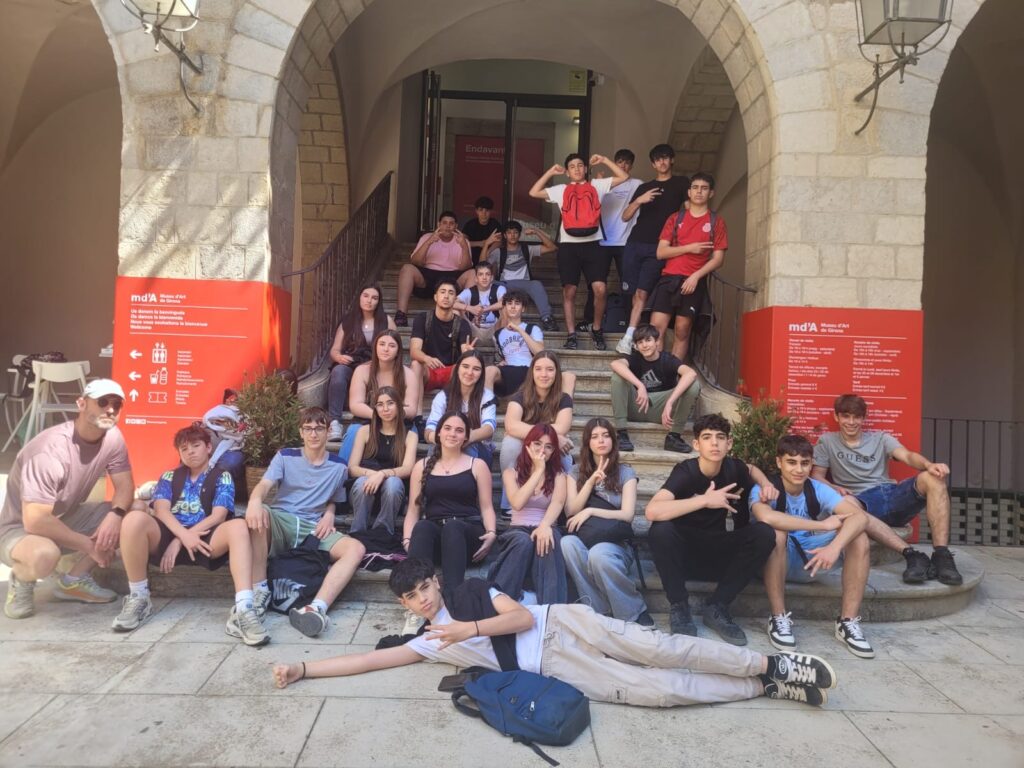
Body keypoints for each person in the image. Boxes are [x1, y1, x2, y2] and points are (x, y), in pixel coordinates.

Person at [272, 557, 840, 711]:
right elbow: (366, 663)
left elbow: (520, 618)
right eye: (413, 597)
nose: (423, 599)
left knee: (659, 647)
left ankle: (768, 663)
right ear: (404, 604)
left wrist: (467, 629)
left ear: (436, 581)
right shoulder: (424, 640)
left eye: (425, 587)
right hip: (555, 667)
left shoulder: (471, 591)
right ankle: (762, 687)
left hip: (562, 623)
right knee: (655, 691)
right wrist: (303, 669)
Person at [113, 423, 268, 645]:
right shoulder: (169, 476)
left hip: (206, 538)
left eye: (196, 446)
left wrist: (183, 539)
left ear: (208, 448)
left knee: (238, 526)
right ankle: (139, 597)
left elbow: (218, 516)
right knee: (133, 519)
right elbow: (161, 511)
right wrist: (180, 536)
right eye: (184, 449)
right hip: (167, 535)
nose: (190, 452)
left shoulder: (222, 476)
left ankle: (244, 609)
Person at [1, 379, 131, 620]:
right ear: (81, 404)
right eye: (102, 402)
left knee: (135, 513)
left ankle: (73, 580)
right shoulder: (48, 451)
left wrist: (116, 515)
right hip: (21, 531)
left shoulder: (113, 437)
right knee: (44, 554)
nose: (110, 409)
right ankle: (22, 579)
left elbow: (125, 486)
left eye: (117, 404)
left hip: (66, 519)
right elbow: (36, 521)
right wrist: (89, 546)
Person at [645, 413, 778, 646]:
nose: (714, 443)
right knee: (660, 530)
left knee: (765, 533)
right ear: (697, 444)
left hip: (717, 552)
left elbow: (751, 469)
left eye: (720, 437)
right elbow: (652, 511)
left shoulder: (734, 468)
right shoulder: (685, 471)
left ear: (729, 443)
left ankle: (718, 606)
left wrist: (766, 483)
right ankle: (679, 606)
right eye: (707, 437)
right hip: (683, 557)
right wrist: (704, 500)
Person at [812, 393, 963, 586]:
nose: (851, 422)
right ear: (836, 417)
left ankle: (942, 555)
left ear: (863, 418)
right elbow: (817, 476)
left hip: (891, 494)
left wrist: (928, 465)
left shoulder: (881, 438)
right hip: (860, 501)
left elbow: (908, 456)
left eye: (856, 417)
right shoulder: (827, 441)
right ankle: (912, 555)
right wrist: (833, 487)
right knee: (846, 504)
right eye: (845, 416)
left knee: (933, 478)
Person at [246, 406, 366, 638]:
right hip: (281, 520)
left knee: (356, 548)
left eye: (319, 428)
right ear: (301, 432)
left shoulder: (339, 466)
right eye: (308, 428)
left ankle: (316, 608)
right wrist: (254, 501)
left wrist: (329, 513)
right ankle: (259, 591)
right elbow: (264, 485)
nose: (313, 434)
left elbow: (334, 498)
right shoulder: (285, 456)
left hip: (313, 527)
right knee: (259, 513)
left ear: (328, 432)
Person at [752, 435, 875, 658]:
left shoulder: (817, 488)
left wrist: (834, 547)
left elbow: (860, 517)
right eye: (791, 462)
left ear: (811, 464)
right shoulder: (767, 488)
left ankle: (847, 623)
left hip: (812, 557)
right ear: (779, 462)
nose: (799, 469)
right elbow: (767, 517)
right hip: (773, 560)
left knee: (859, 537)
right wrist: (822, 525)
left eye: (805, 463)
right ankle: (778, 617)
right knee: (776, 533)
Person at [529, 152, 630, 350]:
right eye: (572, 166)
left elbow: (624, 177)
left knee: (600, 289)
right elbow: (534, 192)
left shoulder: (597, 186)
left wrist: (604, 160)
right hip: (569, 247)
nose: (576, 169)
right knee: (570, 291)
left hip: (593, 245)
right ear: (567, 172)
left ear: (586, 169)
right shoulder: (561, 190)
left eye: (580, 165)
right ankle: (571, 335)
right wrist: (551, 172)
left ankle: (597, 329)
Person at [561, 418, 652, 626]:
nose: (601, 441)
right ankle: (598, 609)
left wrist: (591, 510)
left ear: (613, 440)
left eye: (605, 435)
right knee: (567, 543)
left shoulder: (626, 472)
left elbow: (627, 515)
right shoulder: (575, 472)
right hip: (586, 537)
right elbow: (571, 511)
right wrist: (590, 482)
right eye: (594, 437)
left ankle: (633, 612)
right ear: (588, 443)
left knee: (598, 554)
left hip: (615, 543)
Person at [404, 412, 498, 591]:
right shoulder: (421, 466)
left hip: (468, 538)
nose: (452, 434)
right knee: (422, 527)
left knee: (453, 527)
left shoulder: (477, 465)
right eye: (447, 428)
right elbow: (413, 510)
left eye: (459, 430)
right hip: (436, 539)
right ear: (438, 433)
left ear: (466, 437)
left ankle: (454, 596)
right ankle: (417, 594)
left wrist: (492, 533)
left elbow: (486, 507)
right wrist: (408, 540)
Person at [616, 144, 690, 354]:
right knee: (633, 293)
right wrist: (640, 200)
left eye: (665, 158)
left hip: (659, 246)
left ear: (672, 160)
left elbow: (689, 211)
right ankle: (636, 335)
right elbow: (625, 216)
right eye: (658, 159)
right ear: (653, 164)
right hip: (635, 243)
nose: (662, 162)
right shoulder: (644, 187)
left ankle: (629, 337)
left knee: (642, 292)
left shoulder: (681, 183)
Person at [488, 424, 569, 604]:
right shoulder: (511, 473)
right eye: (537, 444)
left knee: (548, 540)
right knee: (522, 541)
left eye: (548, 447)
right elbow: (517, 503)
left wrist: (544, 526)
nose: (542, 450)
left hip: (546, 525)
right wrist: (538, 470)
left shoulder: (559, 475)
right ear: (528, 444)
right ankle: (500, 605)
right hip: (517, 529)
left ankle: (552, 609)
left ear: (554, 451)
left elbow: (557, 503)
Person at [651, 172, 727, 361]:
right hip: (668, 279)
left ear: (711, 193)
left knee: (682, 330)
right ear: (689, 192)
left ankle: (673, 374)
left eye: (704, 188)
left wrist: (696, 276)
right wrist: (689, 248)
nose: (699, 192)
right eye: (695, 188)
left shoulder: (716, 221)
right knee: (655, 329)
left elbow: (718, 259)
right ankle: (655, 372)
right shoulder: (675, 218)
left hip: (693, 281)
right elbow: (661, 252)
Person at [498, 352, 575, 510]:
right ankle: (508, 502)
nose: (544, 374)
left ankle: (562, 504)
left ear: (557, 373)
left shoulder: (563, 399)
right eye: (538, 369)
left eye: (550, 369)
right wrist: (553, 435)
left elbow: (563, 427)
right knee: (510, 444)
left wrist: (548, 437)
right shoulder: (519, 396)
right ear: (532, 372)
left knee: (565, 455)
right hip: (525, 446)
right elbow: (511, 425)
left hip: (547, 448)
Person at [610, 324, 701, 453]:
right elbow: (615, 364)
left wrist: (670, 402)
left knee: (693, 385)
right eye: (640, 342)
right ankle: (622, 435)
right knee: (617, 377)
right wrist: (640, 385)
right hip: (636, 407)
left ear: (657, 342)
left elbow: (690, 373)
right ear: (636, 346)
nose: (644, 345)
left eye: (648, 340)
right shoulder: (635, 358)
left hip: (663, 412)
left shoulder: (668, 360)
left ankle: (674, 437)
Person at [338, 330, 420, 462]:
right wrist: (379, 415)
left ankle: (398, 473)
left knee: (411, 434)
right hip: (368, 419)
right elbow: (355, 405)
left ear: (398, 351)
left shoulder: (408, 374)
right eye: (382, 344)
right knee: (353, 431)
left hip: (399, 422)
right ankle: (342, 470)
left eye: (392, 345)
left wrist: (391, 416)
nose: (386, 349)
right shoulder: (362, 371)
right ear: (375, 347)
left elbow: (411, 410)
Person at [580, 148, 640, 330]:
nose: (623, 165)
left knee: (628, 284)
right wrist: (598, 182)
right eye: (620, 161)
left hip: (626, 242)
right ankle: (589, 320)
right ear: (615, 162)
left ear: (632, 165)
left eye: (627, 163)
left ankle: (630, 323)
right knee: (596, 284)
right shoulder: (603, 184)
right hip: (601, 241)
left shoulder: (637, 185)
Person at [327, 283, 395, 440]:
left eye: (374, 298)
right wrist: (339, 357)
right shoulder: (348, 321)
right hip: (352, 363)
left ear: (379, 301)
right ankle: (335, 422)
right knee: (338, 371)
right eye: (366, 296)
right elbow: (334, 350)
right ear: (360, 297)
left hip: (376, 366)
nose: (369, 300)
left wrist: (378, 361)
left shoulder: (386, 321)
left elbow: (394, 347)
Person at [347, 387, 418, 535]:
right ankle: (357, 534)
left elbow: (407, 468)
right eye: (380, 404)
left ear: (398, 406)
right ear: (375, 409)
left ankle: (382, 534)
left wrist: (382, 474)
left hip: (392, 495)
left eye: (390, 403)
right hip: (364, 492)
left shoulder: (410, 436)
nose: (385, 409)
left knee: (393, 483)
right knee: (362, 482)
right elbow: (352, 467)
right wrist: (373, 475)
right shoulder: (364, 431)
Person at [395, 211, 475, 327]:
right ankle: (401, 314)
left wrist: (463, 246)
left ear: (456, 226)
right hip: (428, 277)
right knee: (407, 268)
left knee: (472, 273)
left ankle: (467, 316)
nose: (448, 226)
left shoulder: (462, 240)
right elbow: (415, 262)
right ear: (438, 224)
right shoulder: (427, 237)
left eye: (451, 223)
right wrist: (429, 242)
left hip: (453, 278)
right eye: (444, 223)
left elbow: (465, 267)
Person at [481, 220, 558, 331]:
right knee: (487, 282)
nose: (512, 235)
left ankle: (547, 318)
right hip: (505, 285)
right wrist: (486, 244)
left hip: (524, 284)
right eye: (509, 232)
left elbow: (552, 247)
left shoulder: (527, 249)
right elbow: (482, 266)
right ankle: (485, 315)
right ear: (505, 235)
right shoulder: (499, 252)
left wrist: (536, 232)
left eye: (515, 232)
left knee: (536, 284)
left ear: (519, 235)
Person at [424, 350, 496, 465]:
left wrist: (465, 437)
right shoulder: (443, 396)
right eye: (465, 366)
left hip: (479, 449)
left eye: (476, 369)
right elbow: (429, 430)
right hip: (446, 444)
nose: (470, 372)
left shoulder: (486, 396)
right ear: (457, 369)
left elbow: (489, 428)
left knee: (466, 447)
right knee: (435, 448)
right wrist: (444, 439)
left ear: (482, 374)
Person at [410, 280, 474, 397]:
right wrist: (426, 358)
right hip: (428, 369)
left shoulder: (462, 324)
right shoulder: (422, 319)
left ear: (455, 299)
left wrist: (468, 352)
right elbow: (414, 351)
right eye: (443, 292)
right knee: (415, 365)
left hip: (452, 372)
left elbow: (465, 348)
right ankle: (415, 408)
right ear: (435, 297)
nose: (446, 296)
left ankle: (460, 407)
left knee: (465, 368)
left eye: (451, 293)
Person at [484, 291, 545, 397]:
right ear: (504, 308)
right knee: (489, 370)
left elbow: (540, 352)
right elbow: (505, 356)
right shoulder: (498, 334)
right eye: (509, 303)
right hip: (508, 372)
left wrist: (519, 330)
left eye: (517, 303)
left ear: (523, 308)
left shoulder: (532, 329)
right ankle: (488, 402)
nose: (513, 307)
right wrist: (502, 363)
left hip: (528, 370)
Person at [453, 261, 505, 346]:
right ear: (476, 278)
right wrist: (471, 308)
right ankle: (459, 345)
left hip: (495, 330)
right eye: (481, 274)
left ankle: (502, 345)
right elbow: (452, 303)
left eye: (487, 274)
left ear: (492, 277)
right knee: (455, 310)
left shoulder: (499, 289)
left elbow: (505, 302)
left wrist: (484, 310)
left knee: (506, 308)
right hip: (473, 331)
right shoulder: (469, 291)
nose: (484, 278)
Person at [461, 195, 502, 265]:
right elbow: (462, 242)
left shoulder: (495, 224)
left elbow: (499, 242)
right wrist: (480, 243)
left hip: (489, 258)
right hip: (471, 258)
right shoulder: (470, 224)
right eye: (481, 210)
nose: (484, 214)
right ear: (476, 211)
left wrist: (488, 251)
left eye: (487, 210)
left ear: (491, 211)